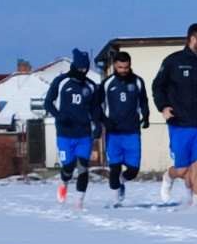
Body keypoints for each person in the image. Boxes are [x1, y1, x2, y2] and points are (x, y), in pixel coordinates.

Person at [151, 23, 197, 209]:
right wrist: (164, 107)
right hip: (179, 124)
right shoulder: (173, 61)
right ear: (193, 39)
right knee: (183, 169)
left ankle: (196, 207)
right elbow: (157, 86)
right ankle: (169, 175)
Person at [43, 48, 104, 206]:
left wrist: (97, 124)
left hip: (84, 134)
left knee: (83, 167)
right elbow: (48, 102)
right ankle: (64, 182)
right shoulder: (61, 81)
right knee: (69, 166)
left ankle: (79, 201)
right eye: (80, 68)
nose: (82, 71)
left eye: (85, 68)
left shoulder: (90, 86)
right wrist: (58, 115)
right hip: (65, 133)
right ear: (74, 66)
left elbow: (96, 109)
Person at [101, 50, 150, 207]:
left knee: (133, 170)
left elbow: (143, 101)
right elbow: (96, 105)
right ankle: (116, 201)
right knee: (114, 168)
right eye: (120, 67)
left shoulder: (137, 82)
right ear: (115, 66)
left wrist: (146, 116)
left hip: (132, 132)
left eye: (126, 67)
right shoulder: (107, 83)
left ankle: (122, 180)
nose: (123, 70)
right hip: (113, 133)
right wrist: (102, 122)